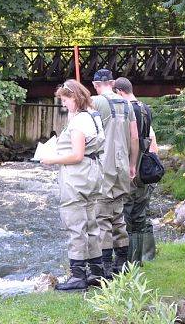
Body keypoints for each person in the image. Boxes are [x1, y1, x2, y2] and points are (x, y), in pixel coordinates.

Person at [41, 79, 106, 291]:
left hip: (77, 179)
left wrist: (52, 159)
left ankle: (77, 276)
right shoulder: (93, 115)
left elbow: (77, 155)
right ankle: (97, 273)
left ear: (75, 98)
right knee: (91, 224)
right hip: (92, 175)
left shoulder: (80, 122)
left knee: (75, 225)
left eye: (65, 100)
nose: (63, 105)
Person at [91, 69, 139, 276]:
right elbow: (135, 137)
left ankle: (106, 267)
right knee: (118, 216)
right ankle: (122, 264)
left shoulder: (95, 102)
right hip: (122, 166)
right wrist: (132, 164)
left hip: (104, 167)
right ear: (112, 82)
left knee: (102, 218)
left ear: (95, 84)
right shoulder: (127, 103)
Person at [113, 77, 158, 265]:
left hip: (131, 169)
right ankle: (142, 258)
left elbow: (128, 142)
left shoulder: (127, 110)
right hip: (145, 170)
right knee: (140, 215)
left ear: (119, 92)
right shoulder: (145, 109)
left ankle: (129, 262)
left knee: (126, 215)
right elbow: (151, 140)